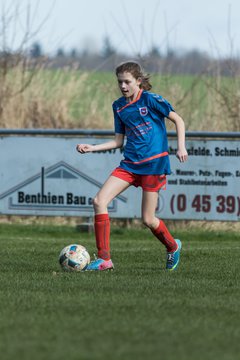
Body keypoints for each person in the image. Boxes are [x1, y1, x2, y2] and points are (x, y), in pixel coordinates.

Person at [76, 61, 188, 271]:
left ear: (138, 81)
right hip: (129, 165)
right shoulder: (118, 106)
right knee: (99, 201)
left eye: (127, 82)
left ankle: (172, 246)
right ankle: (104, 259)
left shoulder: (151, 99)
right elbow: (118, 141)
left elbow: (178, 120)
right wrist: (93, 147)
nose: (123, 86)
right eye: (120, 82)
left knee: (147, 219)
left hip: (154, 165)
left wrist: (181, 147)